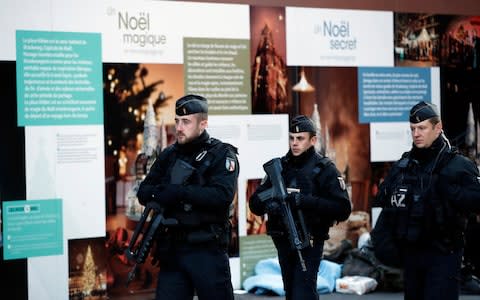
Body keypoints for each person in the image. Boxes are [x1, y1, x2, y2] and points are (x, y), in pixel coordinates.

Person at [371, 101, 480, 300]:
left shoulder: (458, 166)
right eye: (412, 128)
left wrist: (451, 192)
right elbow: (386, 204)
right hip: (412, 257)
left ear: (438, 128)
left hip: (444, 255)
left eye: (422, 128)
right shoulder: (404, 166)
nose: (416, 133)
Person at [136, 94, 239, 300]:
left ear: (203, 123)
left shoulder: (221, 154)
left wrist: (181, 193)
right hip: (173, 251)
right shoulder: (169, 155)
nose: (179, 127)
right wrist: (162, 193)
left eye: (186, 122)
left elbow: (222, 196)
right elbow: (144, 192)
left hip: (207, 250)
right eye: (177, 121)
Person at [249, 115, 351, 300]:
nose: (294, 143)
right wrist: (271, 204)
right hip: (282, 240)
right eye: (291, 138)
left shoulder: (325, 169)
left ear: (313, 140)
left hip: (310, 241)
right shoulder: (279, 168)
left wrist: (304, 201)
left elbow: (343, 208)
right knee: (291, 291)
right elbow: (255, 204)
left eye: (300, 138)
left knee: (303, 292)